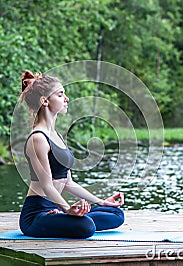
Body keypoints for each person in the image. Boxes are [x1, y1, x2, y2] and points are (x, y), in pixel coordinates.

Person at [18, 70, 125, 238]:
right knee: (87, 227)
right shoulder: (38, 138)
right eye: (61, 95)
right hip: (37, 215)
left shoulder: (57, 136)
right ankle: (62, 219)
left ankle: (63, 219)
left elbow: (68, 182)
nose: (66, 99)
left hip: (56, 208)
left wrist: (101, 201)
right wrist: (67, 209)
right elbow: (47, 186)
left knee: (116, 214)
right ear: (44, 101)